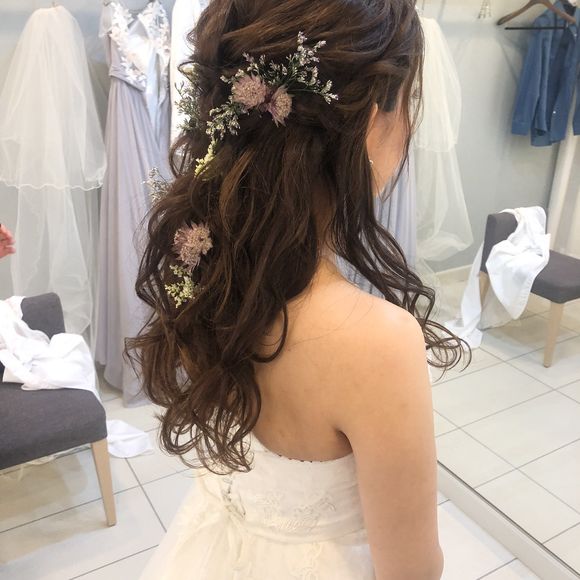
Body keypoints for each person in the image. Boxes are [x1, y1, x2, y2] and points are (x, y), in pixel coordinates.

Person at [129, 1, 467, 578]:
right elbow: (412, 570)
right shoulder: (377, 342)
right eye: (407, 103)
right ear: (371, 119)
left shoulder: (210, 267)